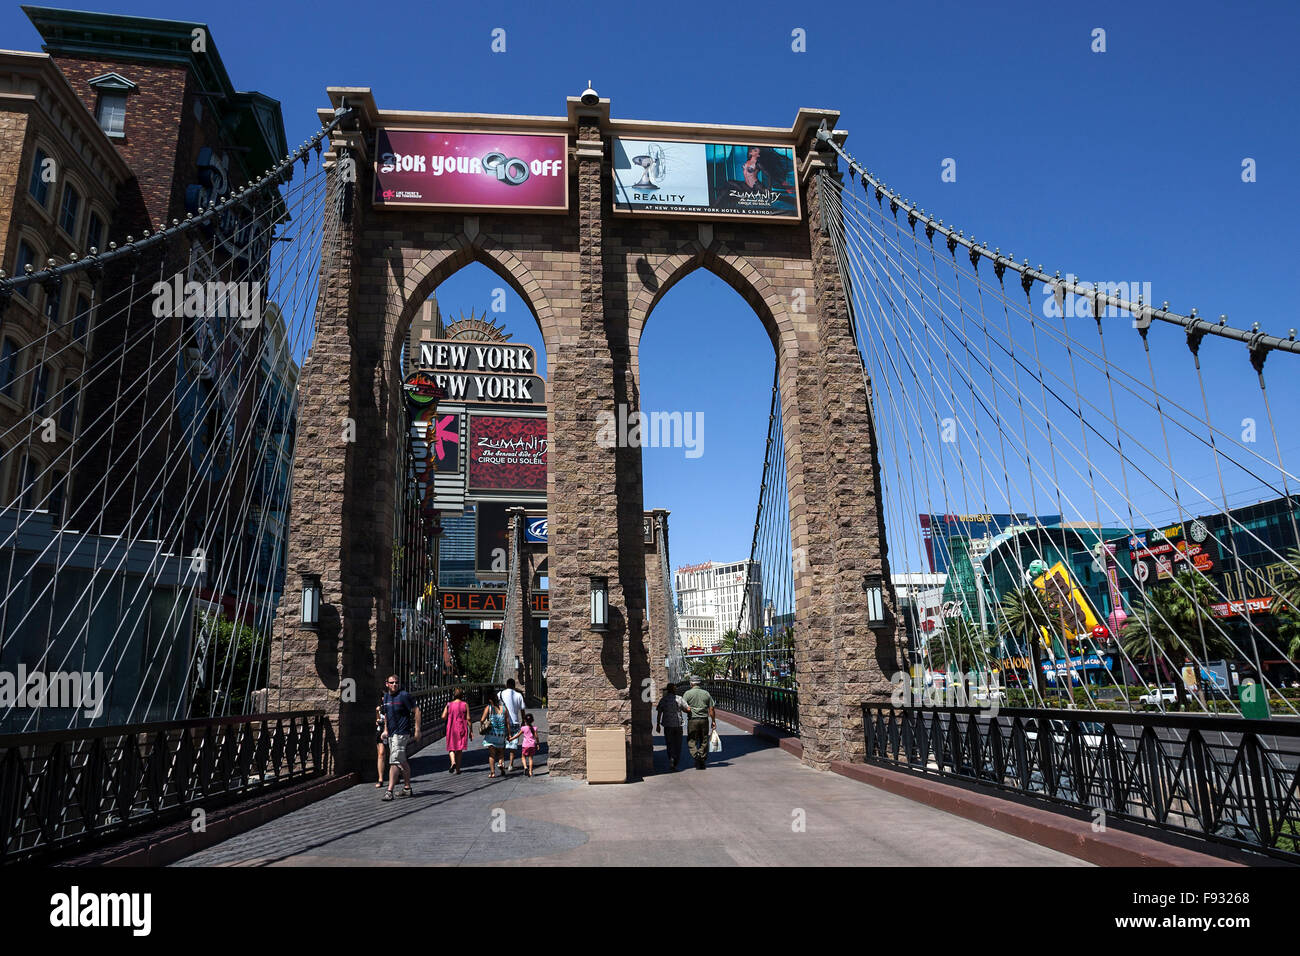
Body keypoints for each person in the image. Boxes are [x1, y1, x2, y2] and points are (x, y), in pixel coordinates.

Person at [380, 675, 420, 801]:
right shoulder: (386, 697)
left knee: (394, 760)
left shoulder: (404, 695)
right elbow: (386, 714)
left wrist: (417, 730)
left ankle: (389, 791)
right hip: (392, 734)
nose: (394, 685)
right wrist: (385, 730)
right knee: (402, 761)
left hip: (402, 733)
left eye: (397, 682)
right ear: (387, 684)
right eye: (392, 683)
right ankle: (407, 788)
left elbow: (417, 710)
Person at [682, 675, 716, 770]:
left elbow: (684, 707)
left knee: (691, 739)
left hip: (692, 720)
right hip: (704, 720)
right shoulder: (706, 693)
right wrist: (713, 721)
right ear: (700, 683)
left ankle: (696, 755)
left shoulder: (687, 694)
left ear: (691, 683)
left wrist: (688, 711)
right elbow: (712, 709)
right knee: (704, 739)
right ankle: (701, 757)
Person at [655, 682, 687, 771]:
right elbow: (687, 708)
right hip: (678, 725)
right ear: (674, 689)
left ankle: (671, 759)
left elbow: (659, 712)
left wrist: (658, 724)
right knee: (678, 744)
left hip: (667, 725)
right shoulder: (679, 699)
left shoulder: (663, 699)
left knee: (669, 743)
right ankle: (676, 760)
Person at [441, 687, 471, 775]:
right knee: (459, 749)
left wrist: (449, 716)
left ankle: (453, 762)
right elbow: (468, 718)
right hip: (461, 727)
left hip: (451, 728)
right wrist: (471, 730)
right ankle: (458, 769)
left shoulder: (449, 704)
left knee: (451, 747)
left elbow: (443, 716)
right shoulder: (465, 704)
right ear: (462, 695)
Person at [498, 679, 526, 774]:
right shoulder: (519, 695)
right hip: (515, 722)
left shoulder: (500, 694)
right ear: (514, 686)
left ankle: (502, 762)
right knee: (513, 745)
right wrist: (523, 721)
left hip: (502, 722)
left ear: (506, 685)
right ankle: (511, 765)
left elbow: (496, 706)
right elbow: (522, 710)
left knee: (502, 743)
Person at [480, 696, 511, 778]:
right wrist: (509, 734)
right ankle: (500, 763)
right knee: (501, 752)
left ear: (490, 700)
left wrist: (484, 724)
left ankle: (493, 773)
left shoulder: (489, 708)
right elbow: (507, 722)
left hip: (491, 734)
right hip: (501, 734)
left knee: (492, 754)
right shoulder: (504, 709)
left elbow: (482, 720)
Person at [507, 712, 539, 777]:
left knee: (523, 757)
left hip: (525, 745)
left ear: (524, 720)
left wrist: (511, 739)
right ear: (532, 720)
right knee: (530, 759)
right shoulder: (534, 728)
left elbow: (517, 735)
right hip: (532, 745)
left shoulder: (523, 728)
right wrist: (538, 744)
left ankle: (525, 767)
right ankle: (530, 772)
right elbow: (536, 737)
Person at [374, 697, 388, 787]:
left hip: (392, 731)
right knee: (381, 753)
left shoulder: (391, 706)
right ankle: (380, 779)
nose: (383, 698)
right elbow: (377, 719)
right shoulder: (379, 708)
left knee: (392, 753)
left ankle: (397, 774)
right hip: (381, 731)